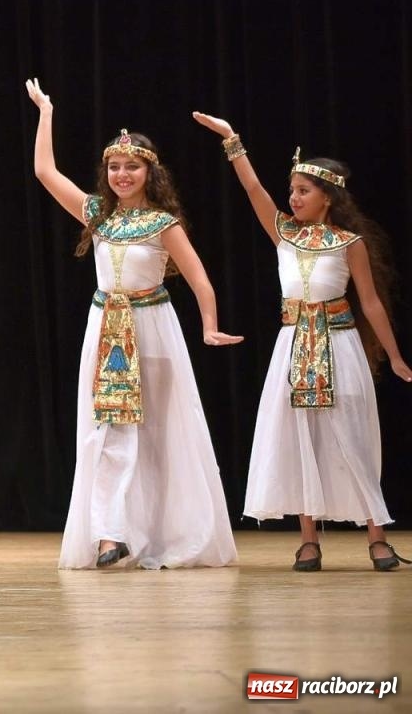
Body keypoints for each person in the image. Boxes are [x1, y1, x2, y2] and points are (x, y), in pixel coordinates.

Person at [25, 80, 240, 569]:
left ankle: (159, 531)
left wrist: (208, 325)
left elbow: (199, 278)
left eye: (132, 166)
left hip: (152, 326)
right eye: (115, 167)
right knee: (106, 430)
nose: (122, 174)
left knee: (160, 433)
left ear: (150, 172)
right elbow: (43, 170)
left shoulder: (163, 223)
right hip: (105, 330)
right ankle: (110, 534)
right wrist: (46, 112)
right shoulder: (98, 214)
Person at [193, 112, 412, 571]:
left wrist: (393, 356)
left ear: (327, 197)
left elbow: (370, 303)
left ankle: (376, 537)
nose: (293, 198)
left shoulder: (348, 242)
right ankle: (309, 539)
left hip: (339, 343)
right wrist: (233, 141)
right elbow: (254, 191)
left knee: (351, 436)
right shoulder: (285, 235)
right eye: (291, 190)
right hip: (293, 345)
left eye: (303, 191)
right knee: (299, 440)